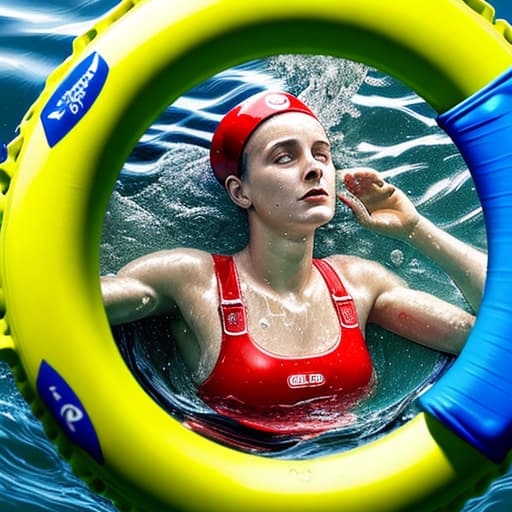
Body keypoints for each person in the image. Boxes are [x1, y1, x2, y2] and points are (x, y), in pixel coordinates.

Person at [102, 91, 486, 434]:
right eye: (285, 157)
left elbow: (494, 335)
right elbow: (69, 301)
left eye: (322, 154)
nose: (314, 168)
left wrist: (415, 229)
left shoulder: (358, 284)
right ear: (240, 191)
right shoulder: (192, 278)